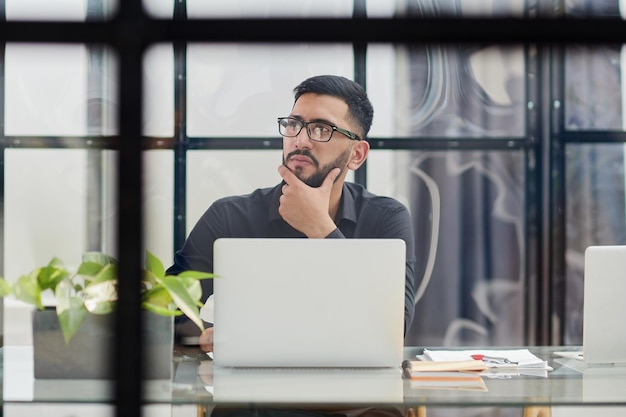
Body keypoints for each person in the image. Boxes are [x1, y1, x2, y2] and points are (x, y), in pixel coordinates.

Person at [167, 74, 416, 352]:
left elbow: (394, 331)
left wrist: (321, 229)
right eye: (294, 125)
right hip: (249, 389)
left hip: (353, 387)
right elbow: (165, 309)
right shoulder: (228, 216)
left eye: (322, 129)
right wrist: (205, 335)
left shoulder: (386, 218)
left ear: (357, 154)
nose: (300, 140)